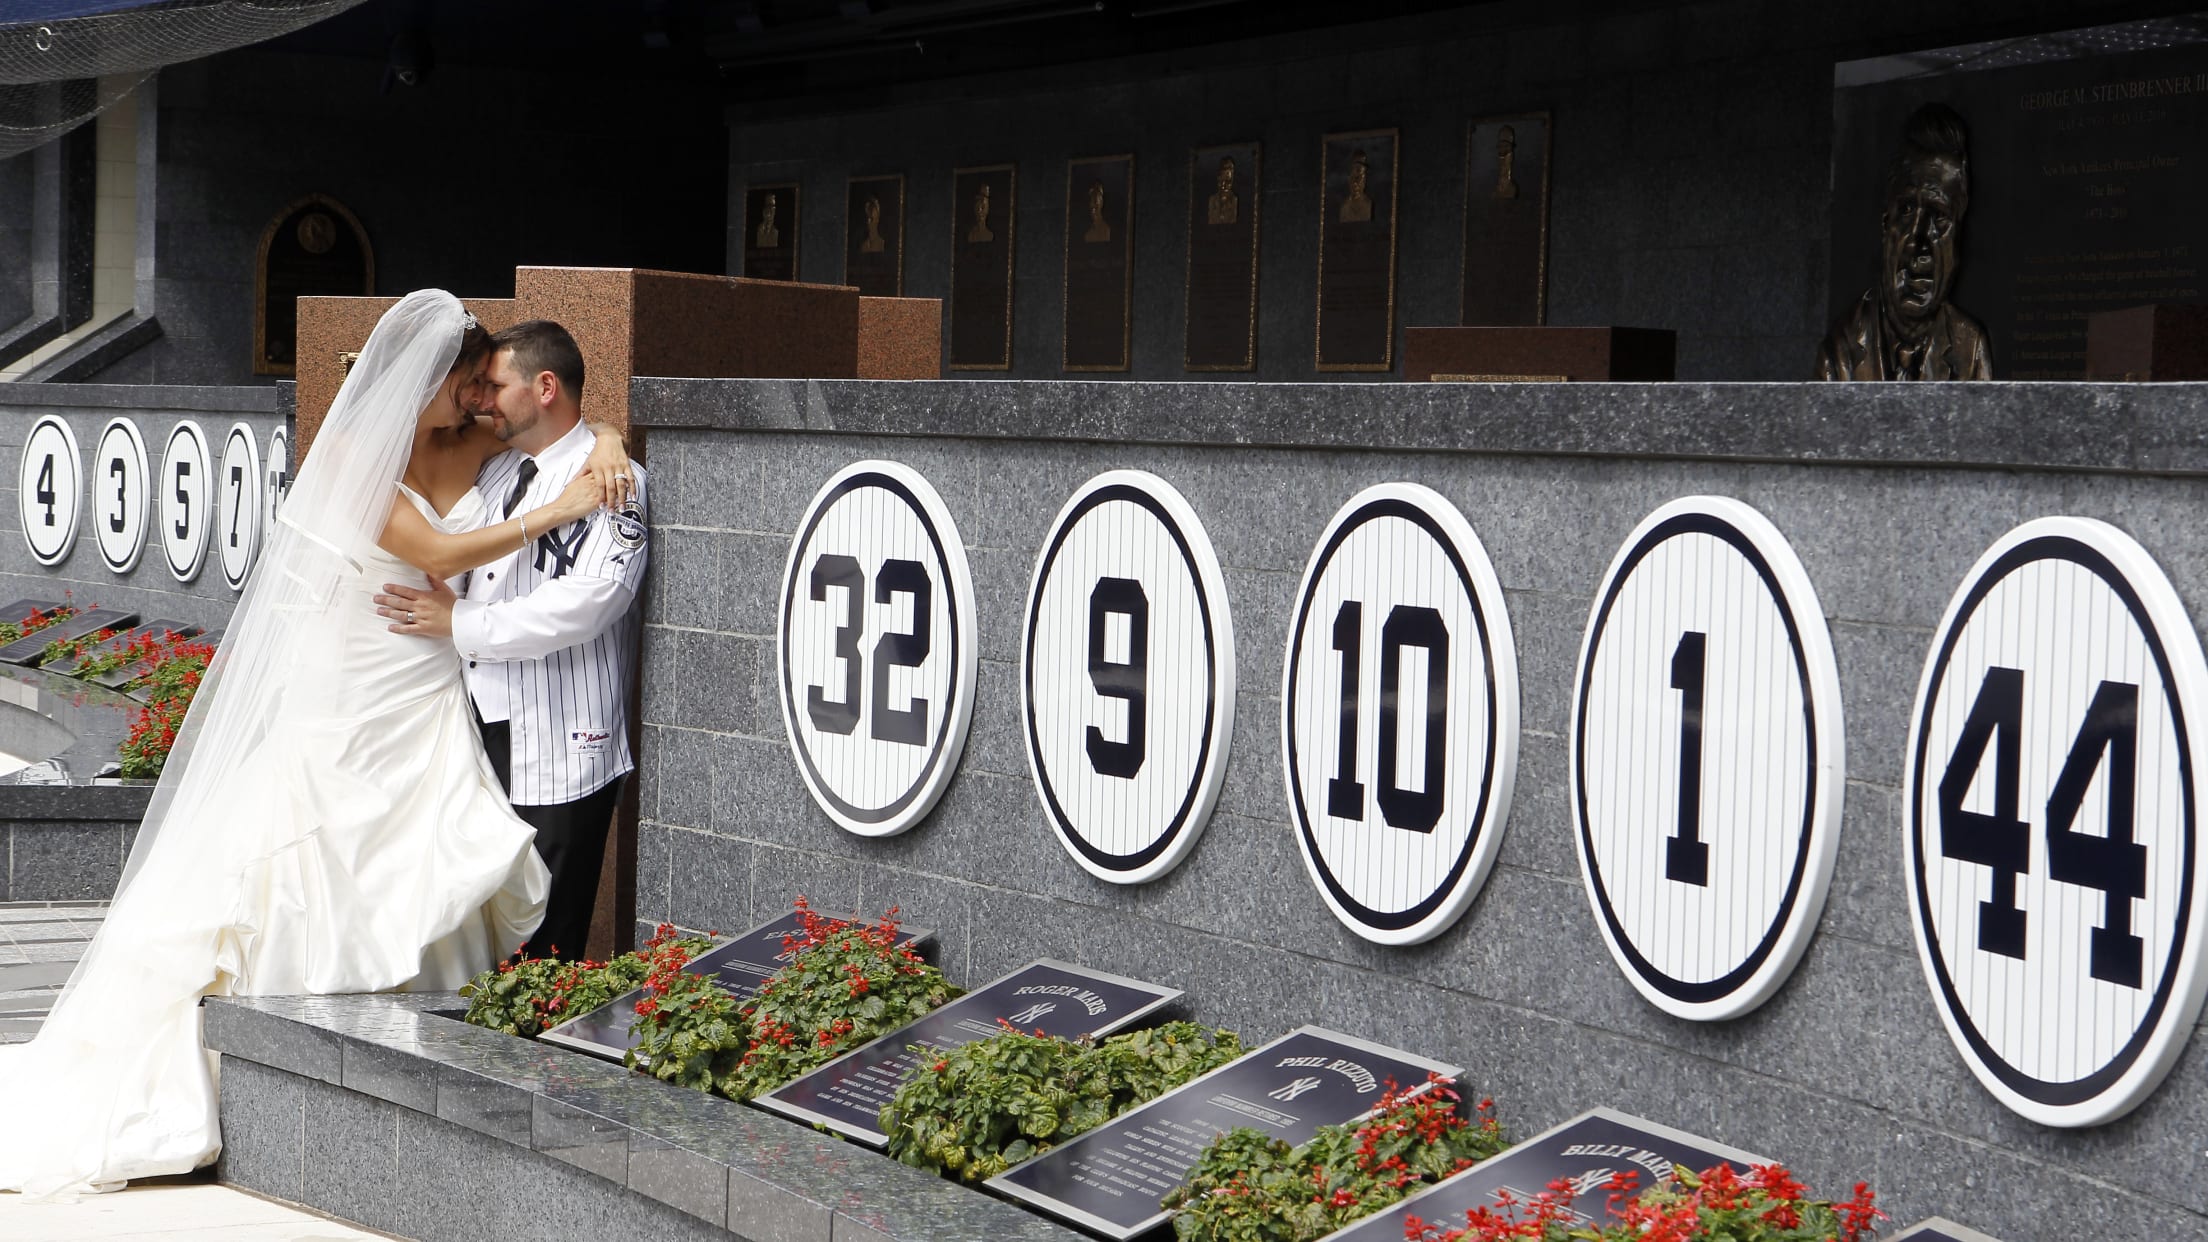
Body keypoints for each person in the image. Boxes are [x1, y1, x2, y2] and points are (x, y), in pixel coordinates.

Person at [0, 290, 630, 1199]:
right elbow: (441, 556)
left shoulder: (468, 446)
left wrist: (606, 442)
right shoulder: (347, 454)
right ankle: (284, 1050)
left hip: (424, 682)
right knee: (306, 849)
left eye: (485, 390)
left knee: (422, 843)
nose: (477, 403)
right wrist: (560, 508)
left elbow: (566, 424)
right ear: (428, 379)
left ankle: (404, 1051)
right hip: (361, 681)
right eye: (467, 386)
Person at [376, 320, 648, 964]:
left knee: (549, 931)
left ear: (544, 387)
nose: (481, 399)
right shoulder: (499, 471)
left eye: (495, 385)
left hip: (563, 732)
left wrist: (461, 624)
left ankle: (532, 1059)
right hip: (477, 723)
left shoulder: (615, 481)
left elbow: (593, 602)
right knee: (488, 916)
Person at [1816, 101, 1991, 381]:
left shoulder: (1970, 348)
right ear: (1886, 225)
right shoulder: (1842, 348)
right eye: (1907, 211)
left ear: (1957, 238)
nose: (1918, 241)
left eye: (1938, 217)